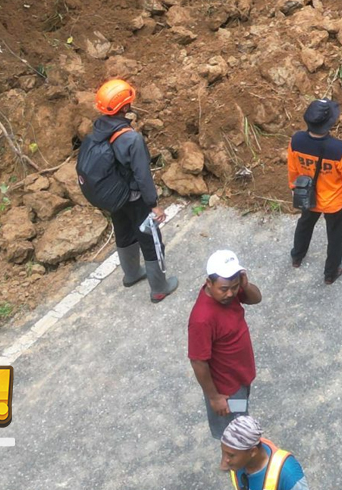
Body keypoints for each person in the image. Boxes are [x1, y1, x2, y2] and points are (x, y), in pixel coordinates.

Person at [77, 79, 178, 302]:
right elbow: (142, 175)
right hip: (134, 198)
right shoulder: (131, 139)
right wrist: (153, 205)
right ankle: (159, 288)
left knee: (123, 231)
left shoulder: (98, 129)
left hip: (114, 197)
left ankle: (132, 274)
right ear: (124, 107)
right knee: (150, 239)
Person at [189, 250, 261, 443]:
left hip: (241, 374)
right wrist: (214, 397)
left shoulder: (230, 291)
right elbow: (198, 361)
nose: (230, 293)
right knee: (234, 428)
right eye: (224, 289)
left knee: (240, 416)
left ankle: (237, 451)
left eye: (234, 287)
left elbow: (256, 298)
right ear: (209, 283)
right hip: (227, 388)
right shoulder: (202, 319)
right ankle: (234, 461)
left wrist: (244, 286)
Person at [287, 98, 342, 285]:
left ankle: (297, 257)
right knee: (336, 236)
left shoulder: (296, 141)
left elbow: (293, 168)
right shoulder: (339, 150)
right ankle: (331, 273)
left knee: (304, 225)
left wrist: (294, 187)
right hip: (334, 202)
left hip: (308, 196)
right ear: (330, 123)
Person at [219, 416, 309, 490]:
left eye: (231, 455)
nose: (223, 464)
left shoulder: (288, 473)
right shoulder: (238, 461)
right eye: (223, 452)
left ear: (253, 452)